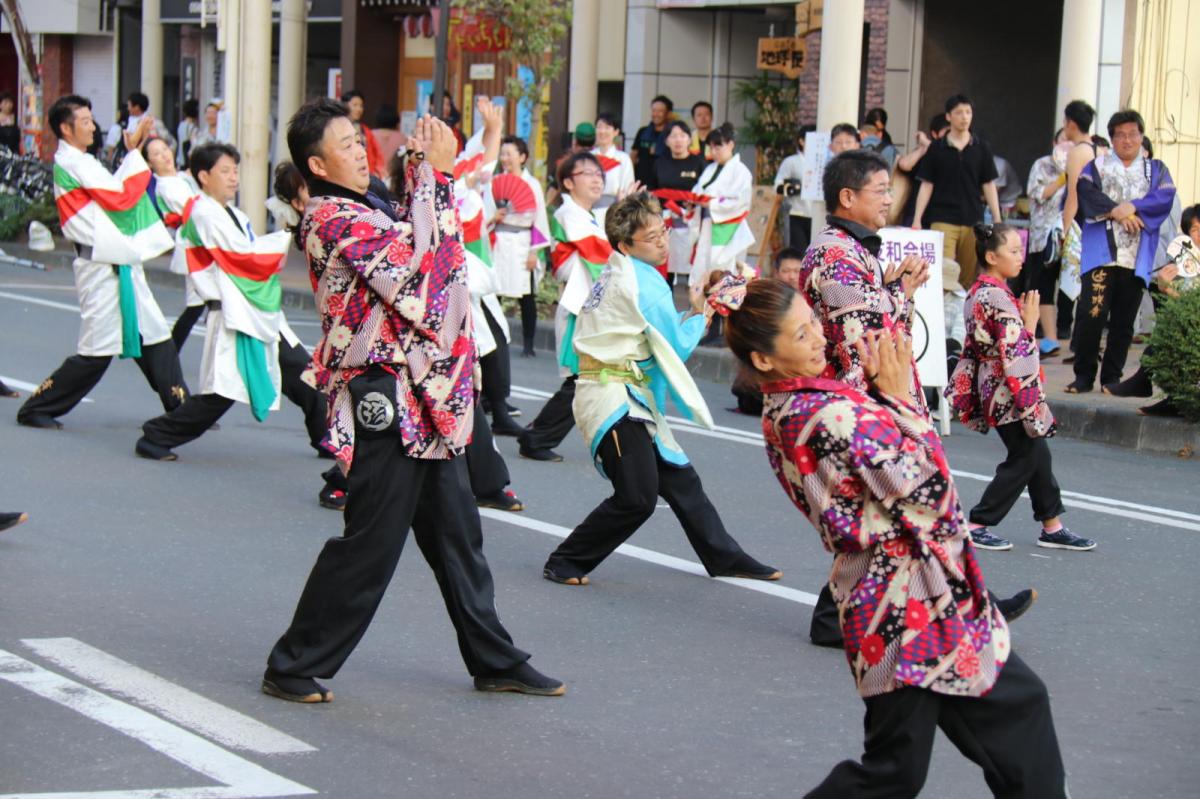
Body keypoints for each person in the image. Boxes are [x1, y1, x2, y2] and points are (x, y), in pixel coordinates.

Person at [262, 98, 562, 703]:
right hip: (387, 393)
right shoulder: (330, 219)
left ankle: (493, 657)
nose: (359, 150)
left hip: (427, 395)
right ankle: (293, 664)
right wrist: (438, 180)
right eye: (345, 144)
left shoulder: (370, 202)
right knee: (372, 539)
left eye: (358, 138)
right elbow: (425, 282)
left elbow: (423, 229)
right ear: (317, 165)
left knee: (458, 533)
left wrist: (430, 169)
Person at [720, 278, 1067, 798]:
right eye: (801, 333)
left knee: (1006, 717)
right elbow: (933, 496)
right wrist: (904, 399)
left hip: (904, 604)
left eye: (813, 322)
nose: (818, 337)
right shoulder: (827, 414)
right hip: (906, 609)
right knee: (898, 769)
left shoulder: (792, 406)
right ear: (764, 360)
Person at [542, 193, 781, 586]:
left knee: (681, 480)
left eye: (663, 231)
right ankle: (566, 559)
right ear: (625, 245)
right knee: (637, 497)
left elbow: (657, 333)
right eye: (651, 237)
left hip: (624, 392)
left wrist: (701, 309)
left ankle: (724, 556)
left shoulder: (622, 271)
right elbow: (675, 345)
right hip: (613, 396)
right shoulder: (644, 284)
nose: (662, 241)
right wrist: (707, 311)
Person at [799, 149, 930, 646]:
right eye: (881, 189)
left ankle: (840, 616)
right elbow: (862, 335)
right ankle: (952, 601)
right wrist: (904, 291)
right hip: (858, 404)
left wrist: (894, 286)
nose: (889, 199)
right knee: (893, 505)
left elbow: (869, 313)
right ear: (847, 197)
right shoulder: (833, 252)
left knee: (884, 511)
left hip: (868, 400)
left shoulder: (855, 249)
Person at [17, 95, 187, 431]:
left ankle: (182, 407)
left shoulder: (79, 161)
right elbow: (120, 197)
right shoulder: (75, 162)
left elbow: (114, 189)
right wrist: (137, 153)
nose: (93, 126)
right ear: (66, 129)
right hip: (100, 265)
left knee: (153, 333)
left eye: (91, 119)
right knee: (96, 351)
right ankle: (36, 407)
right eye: (84, 121)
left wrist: (134, 152)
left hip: (115, 259)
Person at [134, 142, 312, 461]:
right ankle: (156, 435)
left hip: (251, 309)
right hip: (235, 313)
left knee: (303, 373)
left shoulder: (230, 213)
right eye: (225, 171)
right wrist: (290, 235)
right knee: (220, 396)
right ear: (204, 176)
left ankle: (329, 441)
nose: (234, 178)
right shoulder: (204, 213)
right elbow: (243, 259)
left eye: (236, 171)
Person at [947, 223, 1097, 552]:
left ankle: (1052, 525)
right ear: (991, 256)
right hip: (1007, 390)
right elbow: (1015, 353)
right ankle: (978, 522)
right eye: (1013, 251)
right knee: (1026, 455)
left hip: (995, 385)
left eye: (1020, 249)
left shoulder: (980, 292)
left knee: (1036, 453)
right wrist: (1029, 325)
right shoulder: (997, 296)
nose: (1020, 257)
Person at [1066, 109, 1176, 394]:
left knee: (1124, 321)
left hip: (1137, 256)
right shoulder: (1097, 167)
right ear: (1112, 138)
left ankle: (1111, 378)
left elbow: (1164, 195)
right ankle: (1083, 375)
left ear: (1141, 137)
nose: (1127, 140)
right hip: (1101, 253)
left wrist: (1134, 206)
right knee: (1092, 314)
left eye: (1133, 134)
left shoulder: (1156, 169)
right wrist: (1117, 211)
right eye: (1121, 135)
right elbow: (1086, 193)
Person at [518, 151, 611, 462]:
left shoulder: (589, 215)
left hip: (589, 304)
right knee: (583, 380)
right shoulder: (568, 214)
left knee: (591, 380)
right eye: (588, 173)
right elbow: (601, 255)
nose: (597, 178)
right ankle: (537, 436)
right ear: (569, 182)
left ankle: (539, 434)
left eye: (599, 173)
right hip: (579, 307)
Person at [913, 94, 1002, 287]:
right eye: (959, 112)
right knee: (943, 271)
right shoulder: (937, 148)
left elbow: (988, 184)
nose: (964, 117)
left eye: (968, 112)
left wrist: (997, 219)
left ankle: (963, 314)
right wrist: (917, 219)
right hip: (942, 217)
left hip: (973, 219)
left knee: (968, 275)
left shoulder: (981, 147)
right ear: (948, 116)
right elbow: (927, 184)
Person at [491, 135, 551, 357]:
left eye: (509, 154)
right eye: (503, 153)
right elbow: (487, 214)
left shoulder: (532, 184)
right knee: (495, 291)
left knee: (527, 295)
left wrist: (534, 251)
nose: (505, 158)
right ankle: (495, 338)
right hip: (500, 238)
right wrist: (493, 216)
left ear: (522, 157)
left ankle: (528, 343)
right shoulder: (495, 182)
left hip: (522, 241)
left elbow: (540, 220)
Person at [730, 247, 804, 416]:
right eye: (786, 271)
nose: (792, 276)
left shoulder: (810, 304)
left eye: (797, 271)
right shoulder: (763, 299)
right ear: (776, 272)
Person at [1025, 125, 1077, 357]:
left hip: (1072, 237)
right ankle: (1049, 337)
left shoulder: (1083, 166)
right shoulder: (1042, 164)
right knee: (1042, 285)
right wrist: (1062, 179)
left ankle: (1068, 335)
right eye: (1063, 140)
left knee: (1070, 286)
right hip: (1044, 236)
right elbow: (1036, 194)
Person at [689, 123, 754, 294]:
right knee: (703, 264)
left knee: (723, 266)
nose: (714, 151)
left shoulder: (741, 171)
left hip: (727, 224)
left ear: (731, 144)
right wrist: (693, 200)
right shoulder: (710, 168)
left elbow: (739, 201)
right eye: (711, 147)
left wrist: (711, 203)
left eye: (718, 146)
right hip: (708, 221)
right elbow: (698, 190)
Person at [652, 119, 706, 286]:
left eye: (682, 135)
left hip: (693, 221)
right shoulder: (659, 163)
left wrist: (693, 204)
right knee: (666, 263)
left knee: (694, 266)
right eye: (673, 136)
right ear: (667, 140)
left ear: (689, 139)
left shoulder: (699, 163)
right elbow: (653, 191)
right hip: (666, 220)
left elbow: (705, 191)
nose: (678, 140)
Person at [893, 114, 950, 227]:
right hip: (916, 216)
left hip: (944, 217)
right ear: (935, 134)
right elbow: (904, 165)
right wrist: (923, 148)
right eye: (947, 131)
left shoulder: (958, 155)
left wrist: (928, 144)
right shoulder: (926, 152)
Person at [773, 125, 817, 252]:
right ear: (801, 141)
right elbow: (778, 185)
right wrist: (793, 188)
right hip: (797, 212)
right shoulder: (791, 162)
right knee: (798, 251)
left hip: (816, 214)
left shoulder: (822, 162)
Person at [591, 112, 635, 225]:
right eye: (599, 127)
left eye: (607, 127)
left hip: (614, 212)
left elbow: (627, 188)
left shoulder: (623, 159)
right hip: (590, 210)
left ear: (616, 132)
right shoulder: (589, 158)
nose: (602, 131)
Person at [340, 89, 386, 178]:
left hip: (366, 174)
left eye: (361, 106)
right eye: (355, 105)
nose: (359, 109)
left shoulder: (366, 131)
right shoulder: (338, 129)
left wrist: (377, 173)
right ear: (344, 105)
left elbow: (377, 155)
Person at [631, 95, 673, 188]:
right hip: (641, 183)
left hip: (663, 183)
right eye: (654, 110)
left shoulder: (672, 134)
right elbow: (633, 156)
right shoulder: (642, 131)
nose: (656, 114)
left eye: (660, 111)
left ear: (668, 113)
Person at [177, 98, 200, 168]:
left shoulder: (181, 125)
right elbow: (194, 144)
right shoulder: (193, 128)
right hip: (187, 161)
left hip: (180, 160)